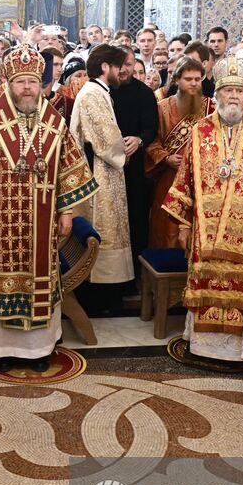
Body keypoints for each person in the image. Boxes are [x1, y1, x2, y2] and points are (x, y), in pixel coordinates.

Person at [0, 46, 97, 370]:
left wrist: (67, 211)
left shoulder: (54, 123)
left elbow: (69, 171)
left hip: (42, 226)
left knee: (40, 282)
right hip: (1, 222)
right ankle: (0, 351)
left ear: (40, 83)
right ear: (9, 84)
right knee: (1, 279)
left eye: (32, 81)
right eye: (21, 82)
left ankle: (39, 351)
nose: (27, 88)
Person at [162, 54, 243, 361]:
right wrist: (183, 224)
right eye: (227, 91)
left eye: (239, 92)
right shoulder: (199, 132)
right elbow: (186, 180)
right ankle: (203, 346)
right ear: (216, 95)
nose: (233, 97)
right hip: (206, 233)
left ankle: (240, 350)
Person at [69, 44, 135, 305]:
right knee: (101, 227)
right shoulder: (93, 93)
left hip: (102, 169)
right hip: (98, 173)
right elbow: (106, 140)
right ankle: (101, 294)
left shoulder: (98, 91)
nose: (122, 72)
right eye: (119, 66)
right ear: (106, 66)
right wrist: (125, 152)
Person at [145, 56, 213, 249]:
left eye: (197, 79)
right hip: (169, 179)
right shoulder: (162, 108)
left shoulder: (211, 108)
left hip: (200, 180)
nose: (193, 83)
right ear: (177, 80)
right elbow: (152, 141)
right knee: (165, 230)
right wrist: (166, 158)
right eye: (188, 79)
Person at [111, 43, 161, 264]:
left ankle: (135, 273)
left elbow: (151, 127)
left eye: (128, 64)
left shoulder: (144, 93)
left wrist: (139, 139)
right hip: (107, 166)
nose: (123, 69)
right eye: (119, 65)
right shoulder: (103, 90)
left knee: (136, 218)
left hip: (135, 168)